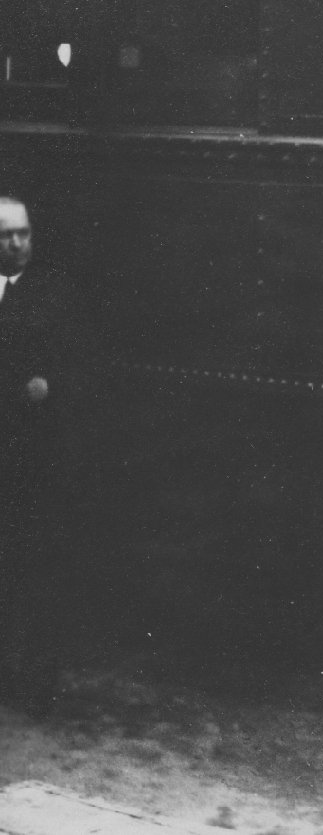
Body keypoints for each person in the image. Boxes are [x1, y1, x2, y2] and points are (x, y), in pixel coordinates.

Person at [0, 196, 67, 716]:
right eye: (6, 235)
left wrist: (50, 383)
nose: (17, 243)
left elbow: (82, 365)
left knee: (28, 565)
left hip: (28, 456)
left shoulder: (54, 295)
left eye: (23, 233)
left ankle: (30, 679)